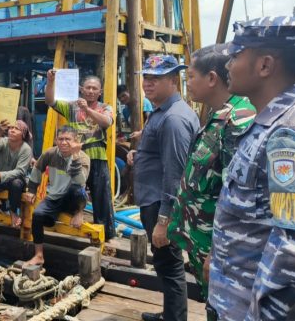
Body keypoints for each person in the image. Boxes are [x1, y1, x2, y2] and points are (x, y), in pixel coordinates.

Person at [208, 17, 295, 321]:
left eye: (235, 56)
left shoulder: (292, 131)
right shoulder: (268, 123)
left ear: (265, 66)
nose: (227, 65)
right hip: (235, 299)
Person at [166, 45, 256, 301]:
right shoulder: (218, 116)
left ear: (212, 78)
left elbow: (238, 196)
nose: (188, 84)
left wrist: (218, 251)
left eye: (191, 77)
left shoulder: (236, 121)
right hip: (202, 243)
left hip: (218, 250)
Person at [126, 54, 199, 321]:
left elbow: (175, 171)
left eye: (155, 79)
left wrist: (164, 220)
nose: (147, 83)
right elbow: (161, 155)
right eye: (146, 77)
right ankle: (171, 314)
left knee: (170, 267)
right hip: (154, 199)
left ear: (173, 81)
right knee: (165, 265)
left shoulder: (173, 118)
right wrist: (140, 154)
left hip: (161, 203)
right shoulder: (163, 112)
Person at [45, 72, 117, 240]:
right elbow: (50, 101)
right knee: (74, 190)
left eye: (95, 88)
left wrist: (87, 109)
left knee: (101, 195)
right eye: (88, 87)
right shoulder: (71, 106)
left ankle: (106, 234)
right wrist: (50, 82)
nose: (91, 91)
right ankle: (72, 223)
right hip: (76, 157)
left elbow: (106, 122)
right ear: (81, 90)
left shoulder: (106, 107)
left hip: (97, 155)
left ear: (100, 92)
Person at [24, 126, 89, 266]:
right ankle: (39, 255)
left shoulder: (83, 158)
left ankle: (79, 212)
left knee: (77, 190)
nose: (64, 142)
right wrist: (32, 190)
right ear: (56, 140)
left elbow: (80, 182)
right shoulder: (50, 153)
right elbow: (37, 170)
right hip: (54, 197)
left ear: (75, 141)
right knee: (37, 215)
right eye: (61, 139)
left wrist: (75, 156)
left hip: (73, 198)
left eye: (68, 139)